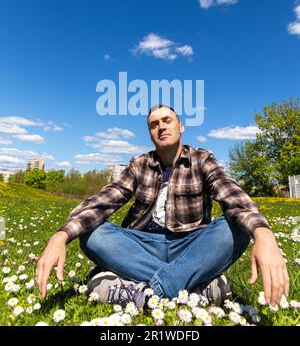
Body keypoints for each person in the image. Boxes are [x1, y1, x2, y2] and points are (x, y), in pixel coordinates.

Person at [36, 104, 289, 308]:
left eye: (167, 120)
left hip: (190, 246)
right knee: (91, 233)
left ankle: (138, 292)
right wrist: (60, 236)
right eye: (154, 124)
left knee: (236, 228)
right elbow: (105, 200)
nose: (161, 127)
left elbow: (232, 195)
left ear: (180, 126)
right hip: (142, 246)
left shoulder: (202, 159)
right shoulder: (139, 164)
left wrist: (263, 234)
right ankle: (194, 287)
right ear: (150, 133)